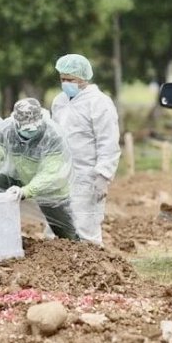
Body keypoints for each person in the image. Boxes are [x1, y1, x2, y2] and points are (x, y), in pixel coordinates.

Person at [0, 98, 76, 240]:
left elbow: (51, 173)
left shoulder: (52, 135)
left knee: (65, 232)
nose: (29, 132)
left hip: (50, 187)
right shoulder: (6, 130)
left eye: (33, 128)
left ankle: (76, 250)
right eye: (25, 129)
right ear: (16, 121)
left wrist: (27, 191)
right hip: (18, 177)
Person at [51, 54, 121, 245]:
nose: (65, 83)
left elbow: (108, 141)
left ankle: (92, 272)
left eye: (70, 80)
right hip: (60, 176)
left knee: (85, 231)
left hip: (87, 177)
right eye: (62, 79)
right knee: (55, 230)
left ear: (83, 78)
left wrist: (103, 175)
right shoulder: (59, 101)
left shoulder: (99, 102)